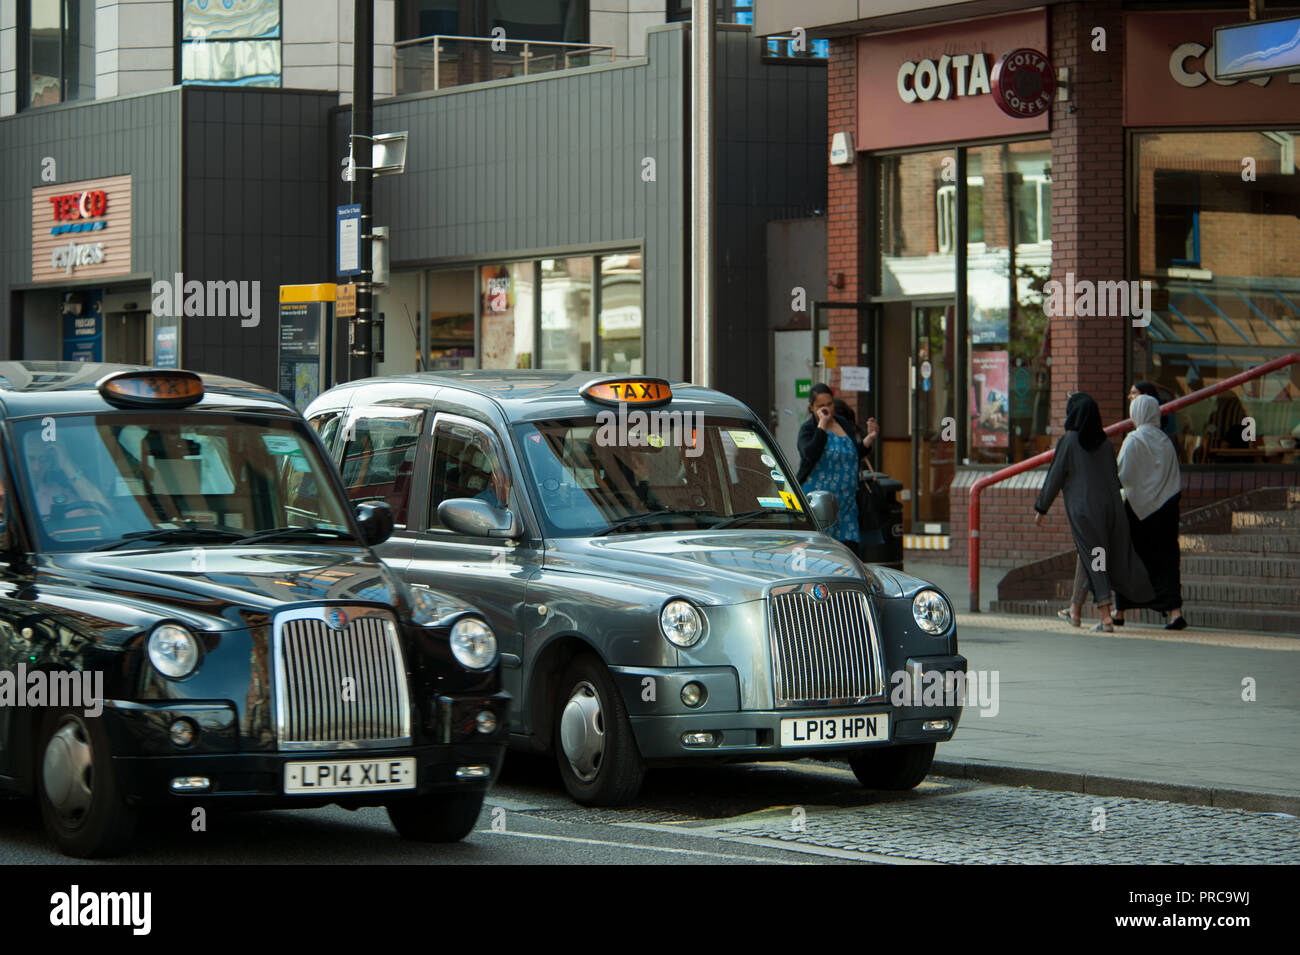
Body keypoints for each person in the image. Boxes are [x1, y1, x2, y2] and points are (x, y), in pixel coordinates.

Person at [1034, 393, 1154, 631]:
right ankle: (1075, 610)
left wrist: (1041, 507)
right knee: (1089, 555)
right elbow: (1114, 478)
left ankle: (1105, 615)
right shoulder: (1106, 443)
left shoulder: (1069, 441)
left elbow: (1055, 476)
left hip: (1084, 512)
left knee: (1094, 558)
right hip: (1111, 510)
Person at [1117, 394, 1187, 629]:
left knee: (1131, 560)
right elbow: (1174, 476)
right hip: (1166, 512)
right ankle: (1174, 612)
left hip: (1137, 511)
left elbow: (1122, 473)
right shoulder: (1165, 441)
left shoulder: (1133, 440)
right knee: (1167, 561)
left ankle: (1121, 611)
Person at [797, 384, 875, 553]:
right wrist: (822, 426)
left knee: (849, 552)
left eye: (830, 404)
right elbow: (809, 453)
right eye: (820, 406)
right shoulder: (808, 429)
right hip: (819, 508)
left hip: (846, 505)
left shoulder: (843, 423)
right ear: (812, 408)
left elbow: (852, 454)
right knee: (820, 554)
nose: (827, 409)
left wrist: (868, 440)